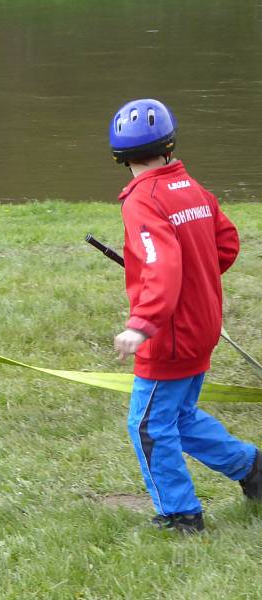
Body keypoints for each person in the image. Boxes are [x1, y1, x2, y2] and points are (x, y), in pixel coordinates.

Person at [109, 98, 261, 533]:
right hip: (202, 326)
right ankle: (252, 468)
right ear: (169, 145)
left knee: (148, 427)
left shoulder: (142, 200)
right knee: (179, 417)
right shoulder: (192, 188)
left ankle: (179, 513)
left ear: (118, 154)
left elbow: (160, 268)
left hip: (169, 337)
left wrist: (142, 325)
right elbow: (226, 245)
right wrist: (196, 279)